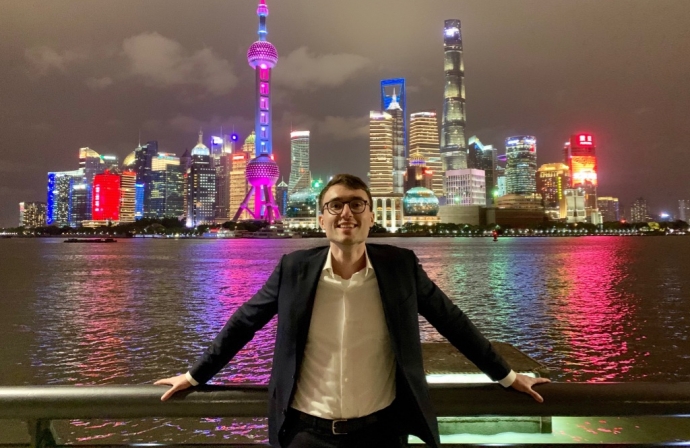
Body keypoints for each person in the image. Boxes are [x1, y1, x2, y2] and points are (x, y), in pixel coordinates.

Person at [155, 173, 549, 447]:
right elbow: (245, 322)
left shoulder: (400, 268)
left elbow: (451, 321)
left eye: (358, 205)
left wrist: (506, 375)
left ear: (372, 216)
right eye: (336, 205)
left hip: (383, 433)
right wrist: (194, 375)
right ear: (321, 218)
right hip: (305, 433)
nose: (347, 213)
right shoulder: (294, 270)